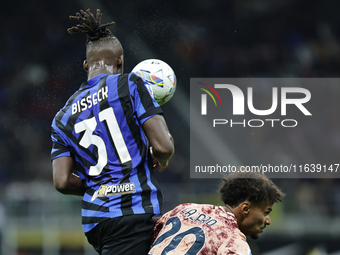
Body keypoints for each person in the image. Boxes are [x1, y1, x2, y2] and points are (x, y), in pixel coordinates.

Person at [50, 9, 174, 255]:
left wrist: (100, 186)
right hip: (135, 211)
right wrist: (163, 159)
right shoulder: (129, 84)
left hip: (97, 222)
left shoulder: (62, 116)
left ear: (86, 65)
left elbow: (62, 181)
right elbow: (163, 147)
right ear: (120, 62)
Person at [148, 172, 285, 255]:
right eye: (266, 212)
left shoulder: (184, 209)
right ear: (245, 209)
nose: (268, 220)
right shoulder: (233, 243)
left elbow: (151, 231)